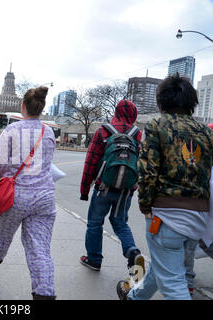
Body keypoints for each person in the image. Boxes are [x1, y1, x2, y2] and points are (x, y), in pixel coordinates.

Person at [117, 73, 213, 300]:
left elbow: (148, 170)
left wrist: (145, 205)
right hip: (198, 217)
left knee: (172, 283)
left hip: (167, 215)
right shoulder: (207, 133)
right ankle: (133, 297)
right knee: (163, 267)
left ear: (162, 100)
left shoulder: (156, 125)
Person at [0, 86, 58, 300]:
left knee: (2, 238)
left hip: (17, 196)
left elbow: (1, 165)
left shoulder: (12, 131)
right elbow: (47, 163)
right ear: (41, 108)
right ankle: (44, 294)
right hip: (44, 197)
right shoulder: (48, 131)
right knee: (39, 248)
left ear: (23, 106)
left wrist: (7, 175)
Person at [79, 99, 145, 277]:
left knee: (95, 223)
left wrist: (84, 190)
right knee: (121, 223)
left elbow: (91, 161)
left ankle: (94, 259)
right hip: (126, 191)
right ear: (134, 114)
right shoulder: (138, 134)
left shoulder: (104, 131)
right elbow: (143, 163)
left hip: (103, 188)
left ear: (116, 112)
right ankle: (132, 251)